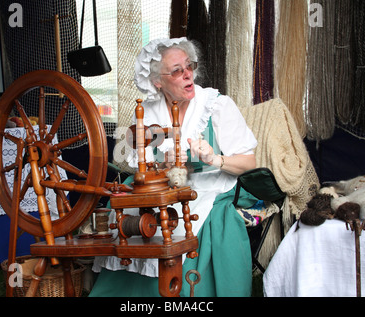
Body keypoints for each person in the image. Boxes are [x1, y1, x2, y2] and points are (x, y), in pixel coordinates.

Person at [90, 37, 259, 297]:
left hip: (209, 186)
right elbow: (139, 167)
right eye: (177, 71)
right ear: (158, 81)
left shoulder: (215, 106)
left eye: (189, 66)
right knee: (126, 212)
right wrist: (161, 164)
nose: (187, 74)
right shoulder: (146, 112)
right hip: (159, 187)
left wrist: (214, 159)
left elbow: (250, 163)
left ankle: (178, 291)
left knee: (182, 219)